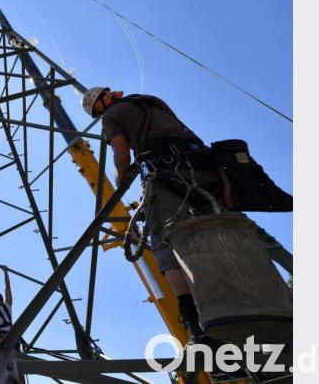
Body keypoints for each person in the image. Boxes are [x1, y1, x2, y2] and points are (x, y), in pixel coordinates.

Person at [81, 86, 222, 345]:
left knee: (164, 243)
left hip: (166, 173)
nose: (100, 114)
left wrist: (121, 178)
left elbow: (121, 154)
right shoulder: (152, 101)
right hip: (204, 168)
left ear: (103, 102)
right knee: (220, 230)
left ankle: (196, 328)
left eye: (98, 110)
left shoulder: (111, 117)